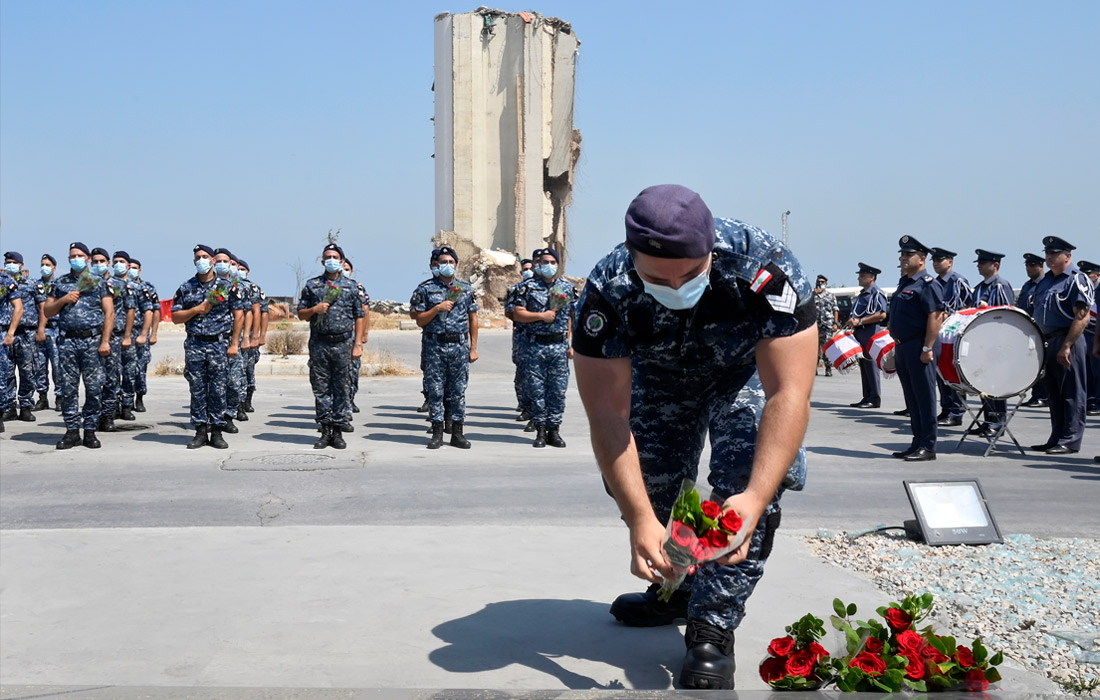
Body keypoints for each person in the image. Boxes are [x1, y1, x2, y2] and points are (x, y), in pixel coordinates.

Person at [573, 185, 814, 690]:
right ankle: (677, 587)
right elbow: (607, 416)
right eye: (658, 277)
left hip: (745, 372)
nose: (676, 285)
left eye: (691, 273)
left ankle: (712, 627)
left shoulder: (764, 266)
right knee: (651, 491)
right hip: (657, 376)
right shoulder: (607, 288)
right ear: (631, 253)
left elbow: (788, 393)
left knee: (747, 480)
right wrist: (639, 519)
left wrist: (754, 496)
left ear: (710, 250)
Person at [172, 244, 244, 450]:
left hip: (219, 344)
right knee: (197, 389)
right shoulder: (186, 287)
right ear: (195, 262)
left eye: (205, 256)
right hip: (195, 343)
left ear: (213, 260)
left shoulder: (226, 287)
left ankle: (218, 431)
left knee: (218, 389)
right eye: (198, 258)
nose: (201, 260)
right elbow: (176, 316)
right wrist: (197, 309)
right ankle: (200, 431)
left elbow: (239, 316)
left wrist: (234, 344)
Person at [43, 242, 114, 449]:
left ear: (88, 259)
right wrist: (63, 299)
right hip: (67, 342)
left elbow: (109, 313)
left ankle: (90, 430)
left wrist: (105, 341)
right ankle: (72, 431)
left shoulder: (98, 282)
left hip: (92, 341)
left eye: (80, 255)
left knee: (93, 388)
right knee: (68, 388)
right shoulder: (60, 283)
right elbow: (48, 311)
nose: (76, 259)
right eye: (72, 256)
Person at [410, 245, 479, 449]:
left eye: (451, 262)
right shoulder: (425, 289)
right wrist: (437, 308)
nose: (447, 265)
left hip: (458, 345)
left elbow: (473, 319)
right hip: (435, 345)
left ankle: (457, 432)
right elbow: (419, 319)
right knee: (435, 391)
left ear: (456, 265)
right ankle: (437, 432)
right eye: (443, 262)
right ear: (436, 265)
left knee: (458, 391)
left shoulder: (465, 289)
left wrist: (473, 347)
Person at [297, 243, 365, 449]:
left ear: (342, 261)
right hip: (320, 343)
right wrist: (314, 310)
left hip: (343, 342)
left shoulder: (352, 287)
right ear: (322, 261)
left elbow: (359, 316)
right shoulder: (313, 285)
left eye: (335, 257)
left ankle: (338, 430)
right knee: (321, 388)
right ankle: (325, 430)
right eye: (327, 257)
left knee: (342, 388)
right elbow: (300, 313)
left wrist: (358, 343)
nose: (331, 260)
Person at [1030, 237, 1093, 455]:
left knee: (1072, 393)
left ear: (1067, 256)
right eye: (1047, 253)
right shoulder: (1046, 281)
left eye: (1054, 254)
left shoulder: (1076, 280)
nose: (1049, 257)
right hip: (1046, 340)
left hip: (1067, 339)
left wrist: (1067, 345)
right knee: (1053, 394)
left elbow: (1082, 317)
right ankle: (1056, 437)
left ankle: (1070, 439)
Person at [887, 236, 946, 461]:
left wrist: (927, 347)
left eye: (908, 255)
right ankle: (916, 442)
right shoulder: (906, 283)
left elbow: (935, 317)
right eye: (902, 255)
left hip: (919, 344)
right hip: (904, 346)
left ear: (922, 259)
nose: (903, 258)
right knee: (912, 399)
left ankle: (928, 446)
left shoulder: (928, 283)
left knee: (925, 398)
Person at [512, 247, 577, 447]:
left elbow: (575, 317)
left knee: (557, 391)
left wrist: (572, 344)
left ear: (558, 265)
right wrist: (541, 316)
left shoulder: (567, 288)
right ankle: (540, 431)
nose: (548, 266)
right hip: (535, 346)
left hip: (558, 347)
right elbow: (516, 313)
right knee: (536, 390)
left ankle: (554, 431)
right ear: (538, 265)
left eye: (552, 262)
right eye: (544, 263)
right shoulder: (526, 287)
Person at [967, 249, 1015, 439]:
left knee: (997, 384)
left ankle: (997, 422)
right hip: (982, 343)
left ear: (995, 265)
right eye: (979, 262)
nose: (979, 265)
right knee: (984, 383)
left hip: (998, 342)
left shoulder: (1001, 286)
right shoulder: (979, 287)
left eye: (984, 263)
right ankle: (988, 421)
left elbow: (1008, 314)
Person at [929, 248, 972, 427]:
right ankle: (946, 408)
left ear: (950, 262)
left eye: (940, 260)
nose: (936, 263)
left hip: (954, 333)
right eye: (935, 260)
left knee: (954, 373)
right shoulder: (934, 283)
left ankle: (956, 412)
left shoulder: (959, 282)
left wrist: (952, 316)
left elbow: (969, 307)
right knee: (942, 374)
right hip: (940, 333)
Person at [3, 252, 44, 422]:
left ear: (21, 265)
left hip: (26, 333)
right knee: (7, 372)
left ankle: (26, 405)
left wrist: (41, 329)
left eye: (14, 262)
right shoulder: (2, 283)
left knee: (28, 371)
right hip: (5, 332)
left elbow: (42, 307)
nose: (10, 265)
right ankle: (10, 406)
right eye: (7, 262)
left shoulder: (32, 284)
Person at [845, 263, 887, 408]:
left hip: (870, 332)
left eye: (863, 276)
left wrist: (861, 321)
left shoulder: (877, 293)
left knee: (871, 365)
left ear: (872, 278)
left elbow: (882, 314)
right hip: (860, 332)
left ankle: (874, 398)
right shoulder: (863, 293)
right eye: (860, 275)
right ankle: (867, 396)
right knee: (864, 365)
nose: (859, 278)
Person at [505, 256, 536, 425]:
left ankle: (536, 411)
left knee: (536, 376)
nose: (528, 272)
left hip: (538, 339)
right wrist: (522, 318)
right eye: (525, 269)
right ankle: (524, 406)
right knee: (522, 374)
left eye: (531, 268)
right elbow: (510, 312)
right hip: (521, 336)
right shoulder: (516, 290)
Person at [127, 259, 159, 412]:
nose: (131, 270)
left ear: (140, 270)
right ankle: (124, 401)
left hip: (140, 332)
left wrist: (153, 333)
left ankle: (139, 397)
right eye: (130, 267)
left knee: (141, 367)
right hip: (124, 333)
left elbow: (155, 310)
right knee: (124, 370)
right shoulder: (120, 286)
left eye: (134, 268)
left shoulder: (147, 288)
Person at [1017, 253, 1049, 408]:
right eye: (1027, 266)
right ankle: (1036, 395)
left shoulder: (1045, 284)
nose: (1029, 269)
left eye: (1032, 265)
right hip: (1027, 330)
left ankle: (1043, 395)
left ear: (1041, 267)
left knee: (1042, 363)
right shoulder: (1027, 286)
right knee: (1033, 364)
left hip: (1041, 330)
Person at [341, 257, 371, 419]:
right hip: (334, 335)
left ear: (351, 272)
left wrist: (364, 334)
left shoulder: (357, 289)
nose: (345, 270)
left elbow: (365, 311)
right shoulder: (325, 286)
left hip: (352, 335)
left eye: (347, 268)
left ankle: (350, 400)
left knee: (353, 370)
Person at [0, 256, 26, 431]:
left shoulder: (5, 281)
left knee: (1, 377)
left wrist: (10, 332)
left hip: (1, 331)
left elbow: (19, 307)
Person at [237, 259, 266, 413]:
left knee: (248, 369)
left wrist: (258, 335)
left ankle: (246, 401)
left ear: (247, 271)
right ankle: (238, 404)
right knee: (238, 371)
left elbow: (262, 312)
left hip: (247, 335)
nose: (239, 271)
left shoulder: (253, 288)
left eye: (242, 268)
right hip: (233, 336)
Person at [1076, 260, 1099, 416]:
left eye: (1088, 274)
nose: (1086, 278)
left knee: (1097, 371)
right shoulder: (1083, 289)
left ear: (1097, 275)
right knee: (1088, 371)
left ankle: (1097, 401)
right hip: (1085, 331)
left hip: (1095, 330)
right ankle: (1090, 400)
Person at [812, 275, 838, 377]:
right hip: (814, 326)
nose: (820, 284)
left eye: (822, 282)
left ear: (826, 283)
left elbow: (835, 310)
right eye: (818, 282)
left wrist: (835, 323)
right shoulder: (811, 295)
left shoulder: (831, 296)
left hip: (827, 325)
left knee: (827, 348)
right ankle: (814, 368)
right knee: (814, 349)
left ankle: (828, 368)